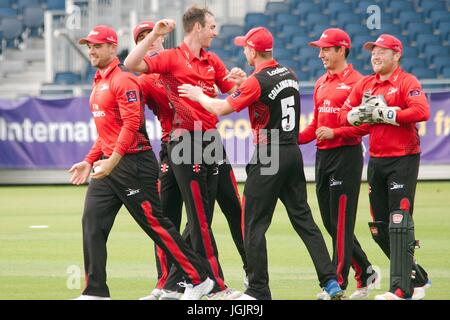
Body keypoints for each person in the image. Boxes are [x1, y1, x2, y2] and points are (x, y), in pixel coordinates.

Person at [178, 26, 343, 300]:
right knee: (304, 220)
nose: (244, 50)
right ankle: (330, 281)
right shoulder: (288, 74)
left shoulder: (258, 81)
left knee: (251, 224)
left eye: (245, 47)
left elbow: (221, 108)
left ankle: (258, 289)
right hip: (292, 151)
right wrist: (244, 81)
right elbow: (264, 92)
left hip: (268, 151)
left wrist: (198, 96)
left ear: (253, 51)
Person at [69, 25, 214, 300]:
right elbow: (107, 133)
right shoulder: (99, 80)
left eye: (97, 45)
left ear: (113, 48)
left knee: (155, 224)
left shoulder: (124, 80)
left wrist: (111, 160)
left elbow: (132, 124)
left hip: (134, 164)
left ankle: (200, 278)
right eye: (89, 45)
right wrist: (90, 160)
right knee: (92, 222)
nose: (92, 50)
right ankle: (95, 291)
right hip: (109, 164)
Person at [125, 7, 245, 299]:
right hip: (176, 145)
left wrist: (240, 80)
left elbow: (232, 89)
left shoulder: (196, 60)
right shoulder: (148, 76)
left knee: (229, 208)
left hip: (208, 141)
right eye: (142, 37)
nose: (150, 42)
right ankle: (170, 283)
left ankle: (240, 275)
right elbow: (132, 68)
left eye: (152, 37)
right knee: (172, 216)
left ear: (163, 40)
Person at [339, 34, 431, 300]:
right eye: (373, 52)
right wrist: (356, 115)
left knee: (399, 223)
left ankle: (400, 289)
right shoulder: (366, 84)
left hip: (403, 158)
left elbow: (421, 111)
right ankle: (418, 278)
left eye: (382, 52)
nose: (375, 57)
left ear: (396, 56)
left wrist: (389, 113)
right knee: (380, 229)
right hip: (376, 160)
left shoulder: (406, 81)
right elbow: (347, 111)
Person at [298, 28, 378, 299]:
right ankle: (366, 270)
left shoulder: (361, 82)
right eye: (319, 49)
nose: (320, 54)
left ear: (341, 50)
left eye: (325, 49)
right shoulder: (321, 82)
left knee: (341, 223)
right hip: (323, 157)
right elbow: (315, 125)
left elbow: (367, 125)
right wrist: (291, 139)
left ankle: (338, 282)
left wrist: (336, 133)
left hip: (346, 156)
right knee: (331, 224)